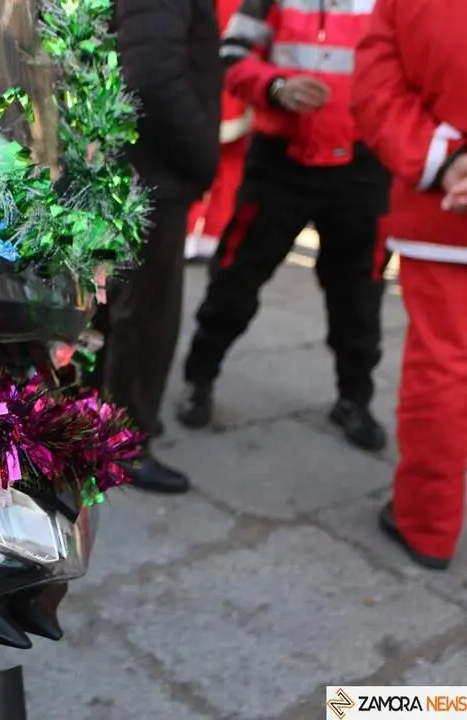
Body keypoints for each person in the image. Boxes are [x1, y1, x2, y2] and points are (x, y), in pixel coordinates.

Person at [176, 0, 391, 453]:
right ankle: (200, 377)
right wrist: (275, 87)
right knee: (235, 278)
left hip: (362, 165)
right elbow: (232, 55)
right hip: (281, 163)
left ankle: (354, 398)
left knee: (359, 294)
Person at [88, 0, 222, 494]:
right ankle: (124, 445)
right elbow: (152, 75)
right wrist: (202, 153)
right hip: (152, 168)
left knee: (116, 306)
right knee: (144, 316)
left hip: (128, 160)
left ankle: (104, 421)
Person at [352, 0, 467, 569]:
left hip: (444, 209)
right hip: (445, 207)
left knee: (443, 369)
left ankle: (427, 522)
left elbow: (377, 86)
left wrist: (446, 158)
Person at [185, 0, 251, 262]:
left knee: (195, 163)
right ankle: (213, 235)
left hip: (203, 88)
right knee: (229, 169)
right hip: (235, 91)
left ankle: (190, 233)